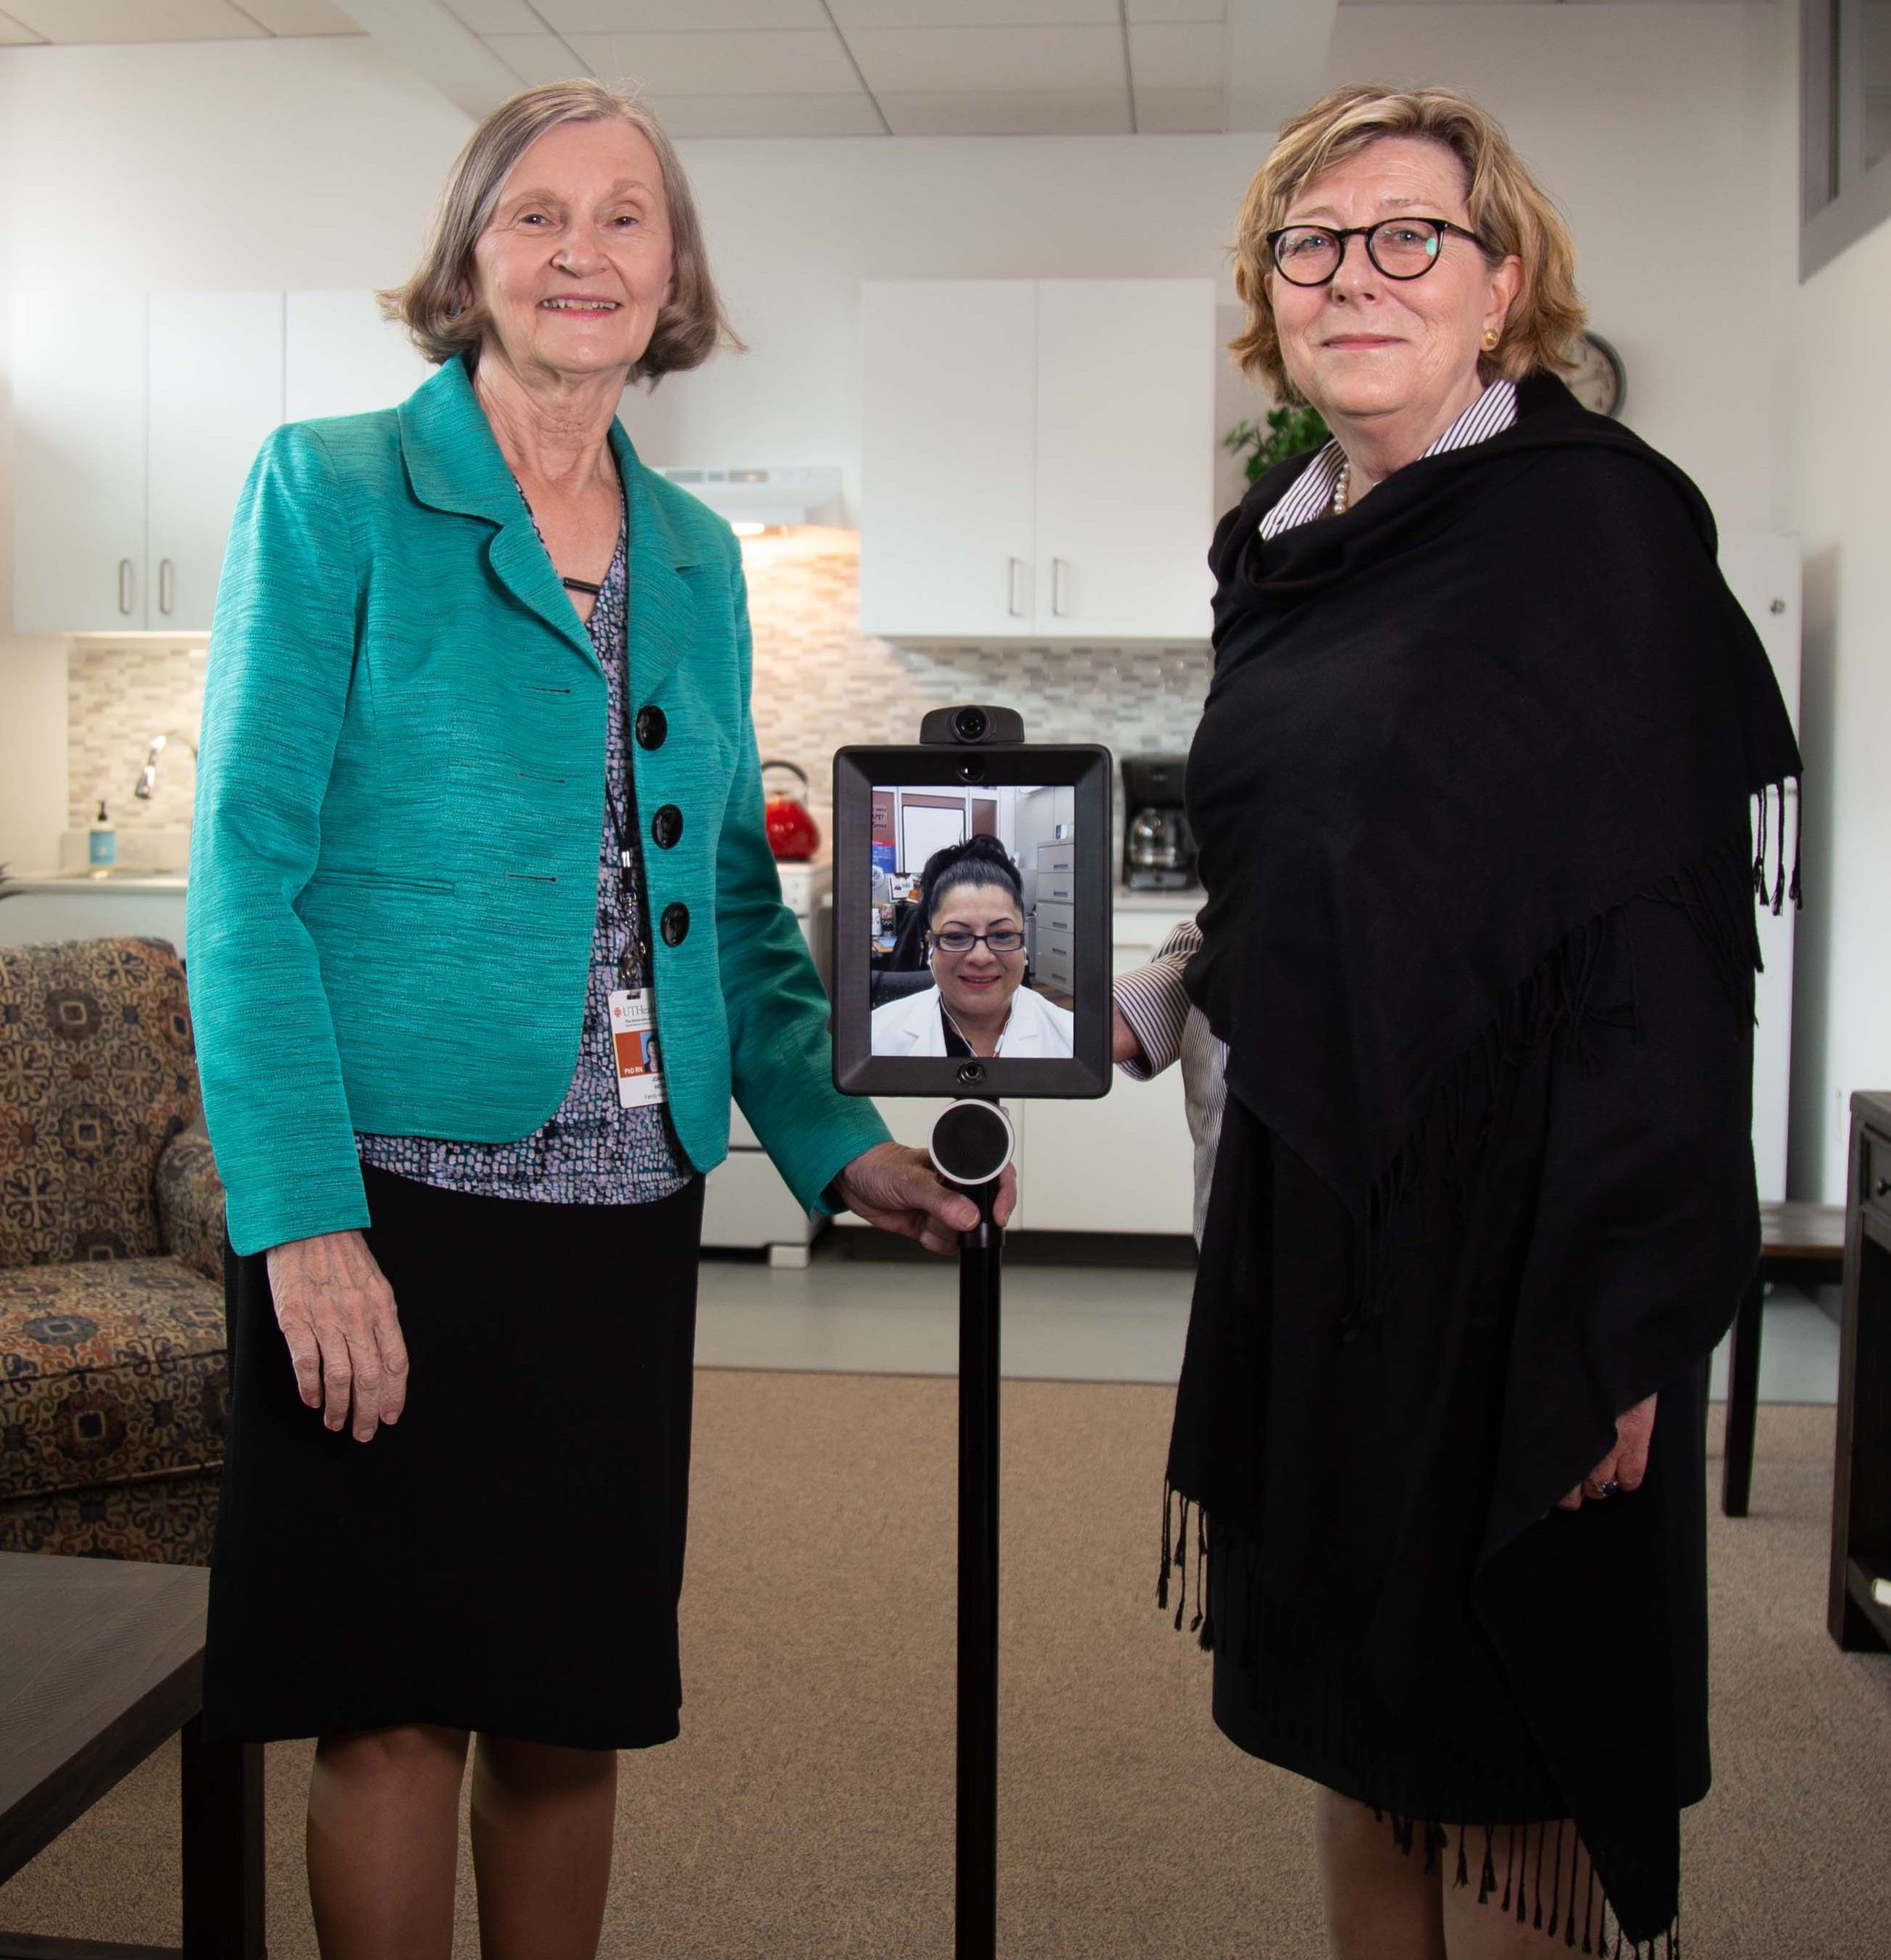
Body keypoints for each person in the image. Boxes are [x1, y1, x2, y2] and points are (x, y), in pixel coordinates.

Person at [186, 80, 1007, 1960]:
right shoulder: (333, 491)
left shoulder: (695, 559)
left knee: (571, 1694)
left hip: (625, 1199)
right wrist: (300, 1223)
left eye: (626, 216)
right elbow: (243, 881)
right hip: (384, 1200)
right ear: (470, 255)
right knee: (391, 1697)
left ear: (675, 271)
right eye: (537, 213)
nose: (583, 251)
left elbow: (722, 891)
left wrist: (832, 1140)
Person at [1111, 86, 1799, 1959]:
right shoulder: (1282, 541)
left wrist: (1619, 1329)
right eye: (1310, 245)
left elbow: (1670, 964)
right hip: (1329, 1214)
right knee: (1363, 1720)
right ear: (1272, 297)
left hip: (1532, 1247)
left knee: (1511, 1757)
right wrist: (1168, 986)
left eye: (1408, 236)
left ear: (1501, 288)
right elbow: (1318, 869)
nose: (1356, 276)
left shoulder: (1598, 536)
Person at [871, 835, 1074, 1059]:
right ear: (931, 944)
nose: (981, 957)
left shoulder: (1072, 1042)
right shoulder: (875, 1039)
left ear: (1023, 943)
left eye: (1003, 935)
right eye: (956, 936)